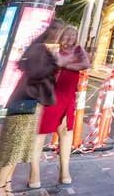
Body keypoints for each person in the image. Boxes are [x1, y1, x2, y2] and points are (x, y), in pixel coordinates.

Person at [0, 20, 64, 195]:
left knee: (19, 147)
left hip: (28, 102)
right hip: (26, 102)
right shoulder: (40, 50)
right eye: (61, 34)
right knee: (14, 147)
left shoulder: (39, 49)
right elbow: (38, 74)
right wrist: (55, 62)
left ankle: (6, 186)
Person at [34, 25, 90, 187]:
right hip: (53, 96)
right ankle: (34, 174)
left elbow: (86, 64)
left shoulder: (79, 50)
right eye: (68, 35)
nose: (70, 37)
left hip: (69, 97)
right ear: (62, 36)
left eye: (73, 35)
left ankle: (64, 171)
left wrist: (65, 65)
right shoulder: (55, 53)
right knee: (42, 132)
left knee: (66, 132)